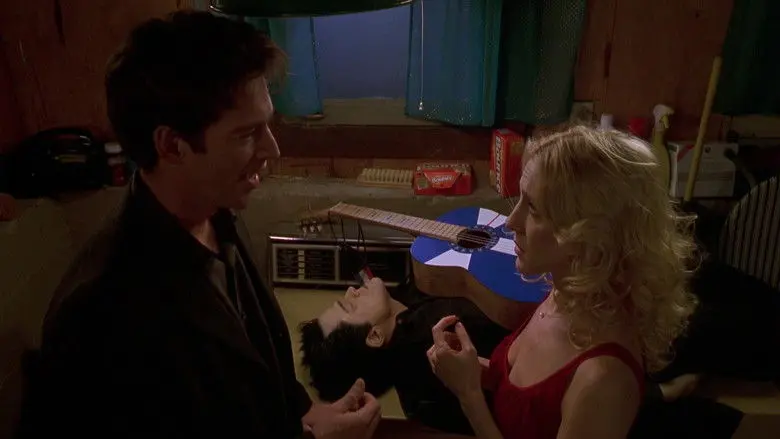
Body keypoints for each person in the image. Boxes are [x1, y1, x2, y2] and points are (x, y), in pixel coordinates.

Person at [17, 10, 380, 439]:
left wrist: (303, 414)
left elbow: (254, 373)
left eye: (267, 126)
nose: (272, 149)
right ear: (172, 146)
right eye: (246, 134)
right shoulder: (99, 313)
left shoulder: (219, 216)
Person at [426, 125, 699, 439]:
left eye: (533, 208)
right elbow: (529, 400)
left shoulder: (604, 379)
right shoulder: (565, 291)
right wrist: (471, 371)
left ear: (587, 234)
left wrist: (469, 396)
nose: (511, 222)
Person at [299, 276, 510, 435]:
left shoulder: (406, 309)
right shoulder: (445, 336)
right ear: (374, 336)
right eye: (350, 306)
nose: (351, 290)